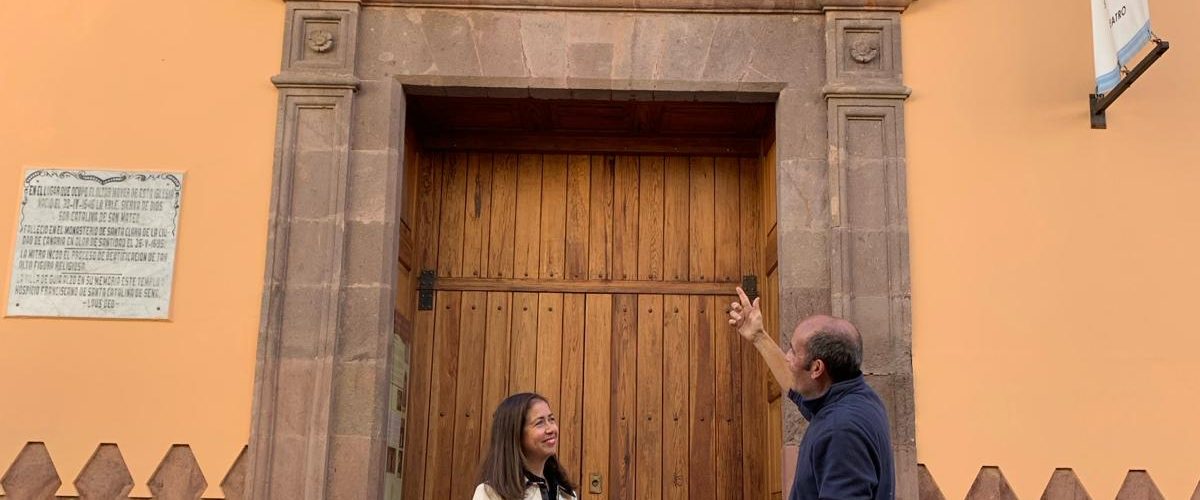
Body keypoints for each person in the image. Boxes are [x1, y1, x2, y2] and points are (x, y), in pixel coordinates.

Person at [728, 287, 895, 500]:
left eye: (793, 351)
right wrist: (759, 337)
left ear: (817, 368)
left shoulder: (840, 429)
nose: (787, 357)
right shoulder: (856, 398)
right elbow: (795, 386)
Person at [474, 392, 578, 500]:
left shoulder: (566, 493)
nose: (551, 429)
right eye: (539, 423)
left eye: (551, 419)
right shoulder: (490, 493)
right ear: (515, 434)